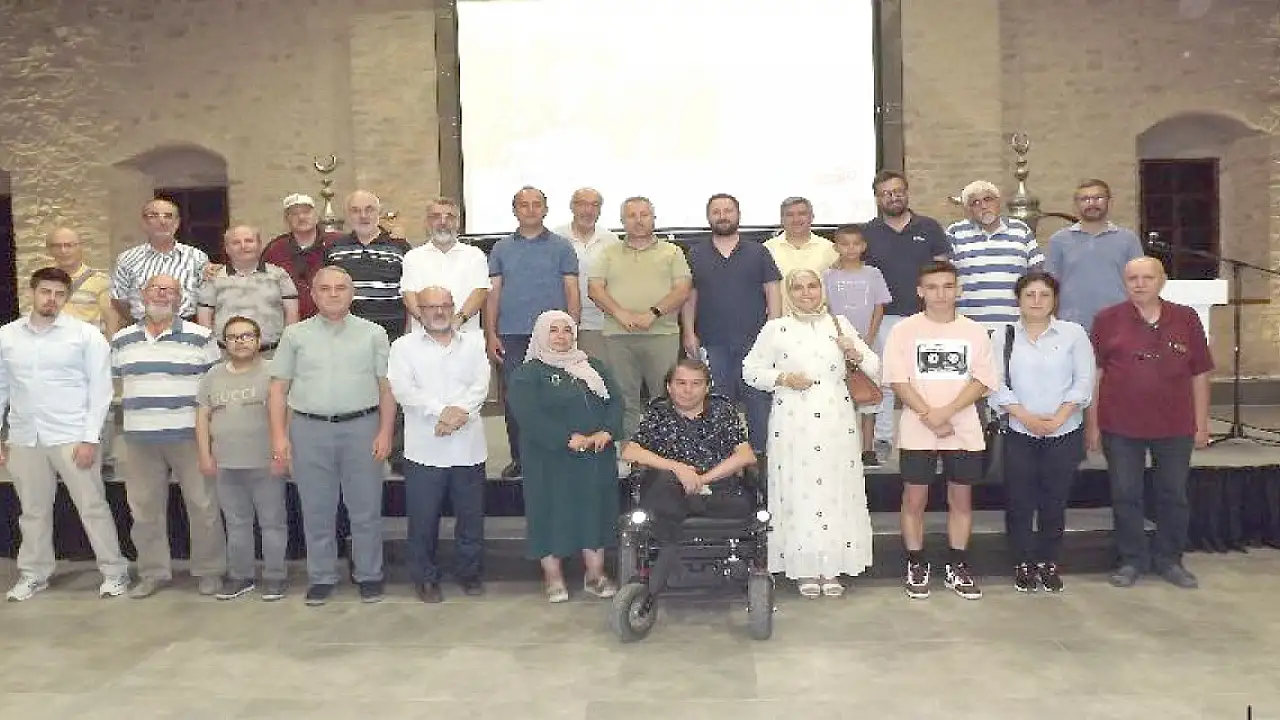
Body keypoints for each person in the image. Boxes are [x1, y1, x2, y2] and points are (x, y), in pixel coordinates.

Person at [743, 269, 878, 597]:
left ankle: (831, 566)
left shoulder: (839, 324)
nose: (806, 293)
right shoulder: (776, 328)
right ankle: (804, 566)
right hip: (793, 417)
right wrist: (782, 378)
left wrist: (854, 352)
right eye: (798, 288)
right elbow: (750, 370)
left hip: (835, 418)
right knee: (798, 488)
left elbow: (876, 367)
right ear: (788, 293)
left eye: (812, 286)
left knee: (835, 487)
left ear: (822, 289)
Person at [269, 266, 396, 606]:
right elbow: (278, 389)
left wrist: (386, 432)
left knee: (366, 509)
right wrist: (279, 437)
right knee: (316, 510)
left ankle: (369, 574)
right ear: (313, 294)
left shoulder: (374, 334)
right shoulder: (294, 335)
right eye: (325, 288)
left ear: (352, 293)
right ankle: (322, 576)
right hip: (309, 431)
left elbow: (386, 388)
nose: (333, 294)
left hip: (362, 429)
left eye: (341, 287)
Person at [0, 267, 129, 601]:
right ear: (32, 292)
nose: (51, 299)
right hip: (24, 437)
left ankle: (114, 572)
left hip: (72, 436)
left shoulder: (85, 335)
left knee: (92, 507)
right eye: (45, 292)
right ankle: (34, 574)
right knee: (33, 511)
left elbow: (101, 390)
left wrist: (90, 438)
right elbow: (1, 389)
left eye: (59, 294)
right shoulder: (7, 336)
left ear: (67, 298)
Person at [1087, 256, 1212, 590]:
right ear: (1124, 283)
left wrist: (1201, 422)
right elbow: (1095, 375)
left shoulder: (1186, 318)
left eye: (1147, 277)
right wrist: (1093, 424)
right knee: (1125, 494)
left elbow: (1200, 373)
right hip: (1120, 425)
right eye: (1133, 278)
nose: (1140, 284)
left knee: (1173, 495)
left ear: (1162, 280)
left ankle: (1170, 560)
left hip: (1175, 425)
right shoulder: (1106, 319)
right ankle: (1131, 560)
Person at [882, 261, 997, 600]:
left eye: (948, 286)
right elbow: (898, 380)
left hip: (962, 428)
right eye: (932, 287)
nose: (941, 294)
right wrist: (928, 414)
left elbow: (982, 380)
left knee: (960, 499)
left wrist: (945, 413)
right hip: (918, 428)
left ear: (958, 290)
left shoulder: (974, 331)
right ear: (920, 291)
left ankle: (957, 565)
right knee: (914, 498)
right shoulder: (903, 330)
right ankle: (915, 563)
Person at [111, 274, 225, 599]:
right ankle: (153, 573)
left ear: (180, 299)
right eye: (155, 289)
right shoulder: (121, 340)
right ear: (142, 294)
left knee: (203, 506)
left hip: (190, 437)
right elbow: (114, 385)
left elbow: (215, 389)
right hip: (138, 440)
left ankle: (209, 571)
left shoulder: (201, 337)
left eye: (170, 291)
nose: (161, 295)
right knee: (144, 511)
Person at [989, 271, 1094, 593]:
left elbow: (1084, 381)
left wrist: (1060, 416)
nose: (1037, 301)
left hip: (1065, 430)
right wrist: (1026, 417)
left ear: (1055, 300)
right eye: (1029, 295)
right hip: (1019, 430)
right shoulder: (1003, 335)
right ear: (1018, 300)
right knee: (1019, 500)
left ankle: (1049, 561)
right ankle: (1022, 562)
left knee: (1054, 500)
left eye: (1044, 295)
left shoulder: (1073, 333)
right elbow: (995, 384)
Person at [507, 310, 621, 603]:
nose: (561, 336)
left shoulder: (592, 366)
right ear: (541, 335)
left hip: (594, 457)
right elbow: (528, 415)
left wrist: (607, 431)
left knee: (594, 511)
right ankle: (553, 577)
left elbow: (616, 402)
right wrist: (566, 439)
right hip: (549, 459)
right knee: (549, 511)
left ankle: (595, 575)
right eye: (554, 330)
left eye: (567, 330)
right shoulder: (528, 373)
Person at [621, 358, 758, 598]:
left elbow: (745, 455)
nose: (688, 390)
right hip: (668, 488)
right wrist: (678, 469)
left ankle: (668, 550)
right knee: (664, 485)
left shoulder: (723, 411)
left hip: (716, 490)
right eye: (681, 383)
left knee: (737, 503)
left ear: (707, 387)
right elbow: (630, 452)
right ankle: (671, 544)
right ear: (669, 386)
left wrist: (702, 480)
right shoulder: (658, 412)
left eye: (696, 383)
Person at [388, 287, 491, 603]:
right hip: (424, 450)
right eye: (431, 306)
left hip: (468, 447)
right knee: (423, 520)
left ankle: (469, 573)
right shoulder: (403, 347)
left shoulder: (473, 344)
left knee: (471, 518)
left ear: (453, 307)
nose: (439, 311)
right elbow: (403, 389)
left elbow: (481, 385)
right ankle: (425, 578)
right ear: (419, 310)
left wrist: (458, 415)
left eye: (445, 305)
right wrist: (442, 412)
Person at [486, 186, 581, 479]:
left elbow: (572, 290)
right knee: (516, 399)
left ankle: (557, 455)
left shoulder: (562, 247)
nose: (530, 209)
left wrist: (572, 330)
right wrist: (490, 333)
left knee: (556, 397)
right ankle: (520, 458)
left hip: (554, 336)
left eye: (536, 204)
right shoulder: (501, 248)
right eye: (523, 204)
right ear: (515, 210)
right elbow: (493, 293)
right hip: (512, 335)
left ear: (546, 209)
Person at [195, 315, 289, 601]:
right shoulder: (213, 376)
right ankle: (241, 576)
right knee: (236, 524)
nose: (241, 341)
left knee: (272, 523)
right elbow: (202, 417)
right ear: (225, 343)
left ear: (259, 341)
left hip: (265, 462)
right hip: (226, 464)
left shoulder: (274, 372)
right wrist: (205, 455)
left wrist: (283, 453)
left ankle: (275, 577)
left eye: (247, 336)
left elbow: (288, 415)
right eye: (234, 337)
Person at [681, 193, 782, 455]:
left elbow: (773, 292)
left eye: (728, 211)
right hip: (712, 341)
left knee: (758, 401)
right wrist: (689, 332)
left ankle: (759, 457)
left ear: (738, 215)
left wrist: (774, 334)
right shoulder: (695, 254)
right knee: (717, 403)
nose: (722, 216)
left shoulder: (759, 252)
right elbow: (690, 297)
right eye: (716, 212)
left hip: (755, 343)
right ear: (708, 217)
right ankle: (723, 457)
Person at [863, 170, 951, 464]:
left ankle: (935, 440)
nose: (893, 197)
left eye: (898, 191)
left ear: (907, 192)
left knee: (930, 380)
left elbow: (942, 271)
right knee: (886, 382)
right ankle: (884, 439)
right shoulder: (868, 233)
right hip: (885, 319)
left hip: (927, 318)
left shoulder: (929, 227)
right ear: (877, 198)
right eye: (886, 193)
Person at [588, 196, 691, 448]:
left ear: (653, 218)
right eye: (631, 216)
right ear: (622, 221)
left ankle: (665, 451)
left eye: (644, 215)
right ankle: (631, 453)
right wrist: (619, 313)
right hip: (618, 336)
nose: (638, 220)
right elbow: (595, 289)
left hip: (662, 334)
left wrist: (653, 313)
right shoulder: (608, 253)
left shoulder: (672, 252)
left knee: (665, 397)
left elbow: (682, 289)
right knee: (624, 398)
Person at [824, 224, 892, 467]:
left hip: (868, 343)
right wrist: (839, 339)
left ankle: (867, 449)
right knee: (840, 396)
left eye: (855, 244)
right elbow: (826, 309)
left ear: (863, 246)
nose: (850, 248)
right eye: (844, 244)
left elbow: (879, 308)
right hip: (839, 344)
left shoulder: (873, 274)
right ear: (836, 247)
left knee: (869, 395)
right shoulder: (828, 276)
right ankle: (842, 448)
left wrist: (869, 339)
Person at [1045, 179, 1144, 332]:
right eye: (1085, 199)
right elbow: (1050, 286)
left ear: (1109, 202)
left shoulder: (1128, 239)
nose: (1092, 203)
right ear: (1076, 204)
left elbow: (1140, 282)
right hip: (1071, 325)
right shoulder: (1058, 240)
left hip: (1119, 323)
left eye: (1098, 198)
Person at [946, 180, 1044, 331]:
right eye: (975, 203)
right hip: (969, 328)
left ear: (998, 202)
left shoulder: (1021, 230)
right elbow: (945, 279)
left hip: (1016, 327)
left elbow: (1037, 276)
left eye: (988, 199)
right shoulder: (955, 233)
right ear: (968, 210)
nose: (983, 206)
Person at [196, 225, 300, 354]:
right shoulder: (213, 278)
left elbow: (292, 315)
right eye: (236, 242)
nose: (243, 246)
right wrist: (211, 350)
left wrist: (287, 349)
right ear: (227, 249)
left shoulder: (279, 275)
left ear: (260, 245)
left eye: (249, 241)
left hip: (271, 354)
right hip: (226, 355)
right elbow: (204, 319)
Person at [324, 190, 413, 339]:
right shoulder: (334, 249)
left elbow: (411, 291)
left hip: (391, 334)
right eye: (355, 211)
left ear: (379, 212)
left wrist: (408, 334)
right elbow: (326, 293)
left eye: (369, 209)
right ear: (347, 215)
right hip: (346, 334)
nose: (363, 216)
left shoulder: (400, 247)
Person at [111, 198, 210, 324]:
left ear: (177, 223)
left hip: (187, 328)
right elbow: (119, 300)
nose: (162, 221)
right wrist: (140, 324)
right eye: (154, 216)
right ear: (144, 223)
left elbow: (206, 300)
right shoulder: (126, 259)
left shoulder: (198, 258)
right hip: (141, 328)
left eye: (168, 216)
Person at [400, 197, 490, 335]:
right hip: (422, 337)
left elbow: (479, 292)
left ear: (458, 223)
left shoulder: (475, 255)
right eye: (436, 217)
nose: (443, 222)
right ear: (426, 222)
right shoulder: (412, 257)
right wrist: (430, 326)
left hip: (465, 337)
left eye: (450, 217)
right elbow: (409, 295)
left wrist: (455, 323)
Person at [554, 187, 620, 361]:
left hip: (600, 324)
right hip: (561, 325)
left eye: (594, 205)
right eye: (582, 204)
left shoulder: (611, 240)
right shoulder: (556, 238)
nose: (588, 210)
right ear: (571, 206)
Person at [261, 194, 339, 320]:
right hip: (290, 323)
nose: (301, 217)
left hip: (334, 320)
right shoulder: (275, 250)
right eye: (294, 214)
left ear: (316, 215)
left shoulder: (336, 243)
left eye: (306, 212)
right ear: (286, 220)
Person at [45, 228, 120, 336]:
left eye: (69, 245)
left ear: (80, 247)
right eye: (57, 246)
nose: (63, 251)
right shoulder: (44, 280)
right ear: (50, 250)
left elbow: (112, 322)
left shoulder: (100, 281)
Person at [763, 196, 839, 279]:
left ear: (812, 217)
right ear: (782, 219)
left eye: (802, 214)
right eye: (790, 215)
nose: (796, 219)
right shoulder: (766, 250)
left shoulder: (831, 249)